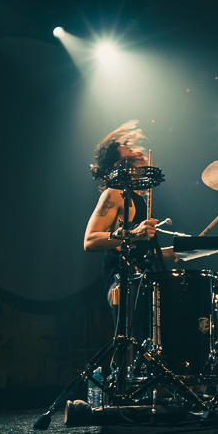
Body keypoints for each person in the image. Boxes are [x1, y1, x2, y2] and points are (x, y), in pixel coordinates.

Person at [83, 120, 158, 314]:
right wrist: (134, 234)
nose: (139, 152)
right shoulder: (115, 193)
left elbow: (138, 249)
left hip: (142, 280)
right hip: (124, 283)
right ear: (118, 165)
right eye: (129, 150)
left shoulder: (138, 198)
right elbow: (90, 240)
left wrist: (180, 251)